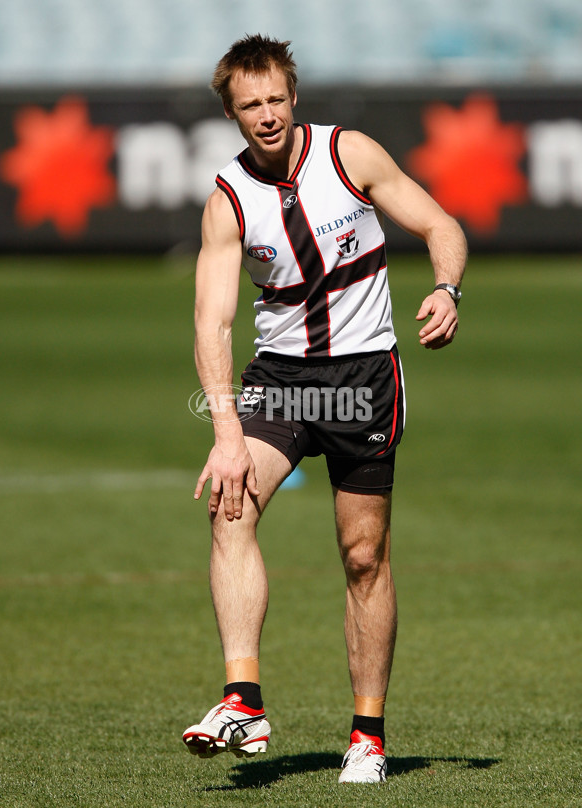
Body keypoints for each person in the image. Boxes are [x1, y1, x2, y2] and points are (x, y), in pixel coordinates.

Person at [183, 34, 467, 784]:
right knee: (229, 508)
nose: (267, 115)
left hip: (365, 376)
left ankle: (367, 736)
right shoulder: (228, 198)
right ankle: (243, 697)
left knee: (363, 556)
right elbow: (211, 322)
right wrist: (225, 434)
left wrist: (446, 288)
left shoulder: (351, 155)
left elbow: (443, 227)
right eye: (251, 106)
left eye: (276, 98)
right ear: (232, 113)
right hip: (280, 377)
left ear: (293, 96)